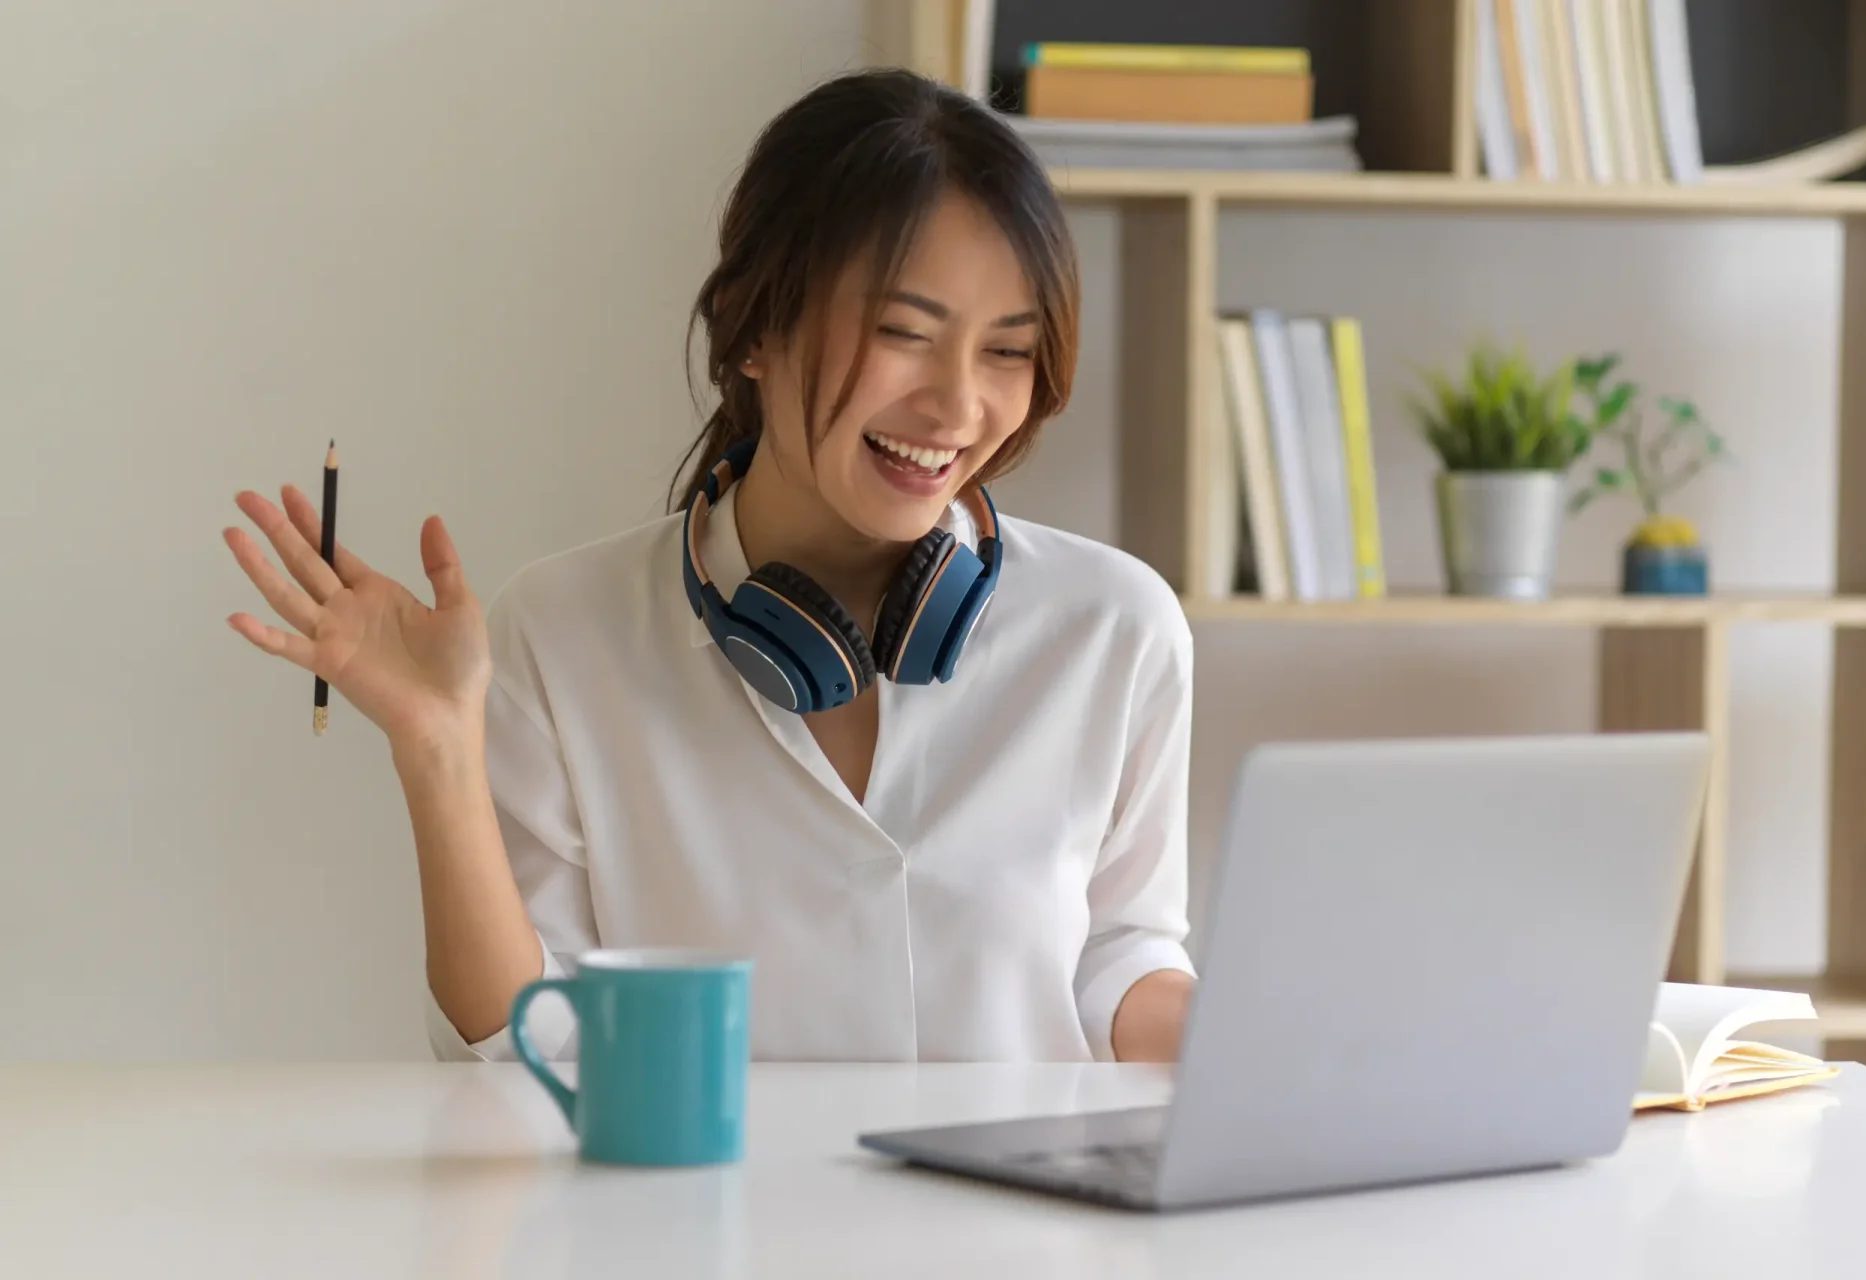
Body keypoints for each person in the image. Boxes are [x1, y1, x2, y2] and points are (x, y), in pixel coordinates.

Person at [221, 68, 1196, 1065]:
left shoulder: (1114, 626)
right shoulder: (562, 632)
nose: (956, 408)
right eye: (905, 334)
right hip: (699, 1217)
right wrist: (437, 752)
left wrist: (1258, 1034)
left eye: (1006, 352)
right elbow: (524, 1048)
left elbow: (1119, 961)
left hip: (1022, 1219)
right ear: (753, 325)